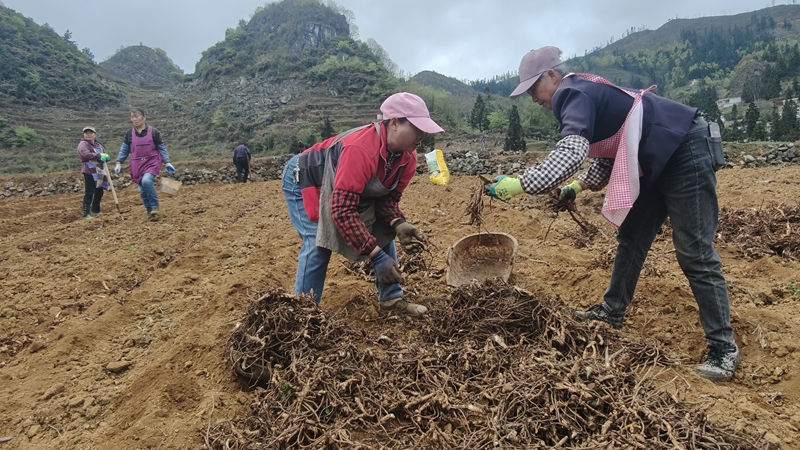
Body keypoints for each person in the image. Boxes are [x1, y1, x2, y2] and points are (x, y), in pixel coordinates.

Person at [486, 46, 739, 381]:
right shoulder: (587, 91)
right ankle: (611, 311)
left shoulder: (571, 93)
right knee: (632, 236)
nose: (534, 98)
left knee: (694, 250)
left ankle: (723, 349)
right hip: (657, 157)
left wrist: (520, 184)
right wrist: (575, 188)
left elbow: (572, 153)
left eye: (534, 88)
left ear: (552, 75)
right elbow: (611, 150)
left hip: (684, 150)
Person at [281, 92, 443, 316]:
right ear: (394, 122)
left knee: (383, 229)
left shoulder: (408, 158)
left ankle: (391, 299)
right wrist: (376, 256)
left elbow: (386, 201)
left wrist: (398, 223)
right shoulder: (360, 149)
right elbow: (342, 210)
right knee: (317, 241)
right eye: (417, 128)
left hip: (341, 185)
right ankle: (303, 315)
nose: (422, 135)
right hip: (306, 178)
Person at [114, 108, 175, 221]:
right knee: (142, 190)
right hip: (136, 164)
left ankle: (154, 206)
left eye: (136, 116)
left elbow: (161, 148)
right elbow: (124, 149)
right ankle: (150, 212)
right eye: (132, 117)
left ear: (144, 117)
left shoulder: (154, 132)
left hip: (151, 161)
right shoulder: (129, 134)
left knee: (146, 181)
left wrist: (167, 162)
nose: (134, 119)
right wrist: (119, 162)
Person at [77, 126, 110, 219]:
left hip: (99, 170)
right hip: (89, 170)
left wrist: (106, 156)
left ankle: (95, 209)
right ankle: (86, 212)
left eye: (90, 133)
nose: (88, 135)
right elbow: (86, 154)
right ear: (84, 134)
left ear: (95, 135)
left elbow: (104, 152)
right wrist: (99, 155)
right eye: (86, 133)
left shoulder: (98, 144)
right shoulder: (83, 144)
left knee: (99, 190)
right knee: (89, 192)